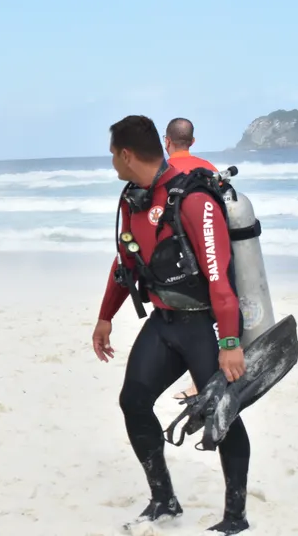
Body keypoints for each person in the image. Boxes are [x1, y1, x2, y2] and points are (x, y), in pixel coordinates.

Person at [92, 115, 250, 535]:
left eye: (112, 154)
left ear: (127, 154)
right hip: (163, 322)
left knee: (224, 414)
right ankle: (164, 500)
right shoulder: (132, 200)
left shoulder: (194, 200)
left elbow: (218, 275)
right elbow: (126, 261)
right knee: (133, 402)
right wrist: (106, 315)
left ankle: (235, 517)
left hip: (204, 328)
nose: (111, 162)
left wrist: (230, 341)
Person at [163, 116, 217, 399]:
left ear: (166, 141)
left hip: (178, 259)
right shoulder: (209, 168)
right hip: (212, 253)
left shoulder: (164, 171)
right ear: (192, 142)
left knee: (188, 324)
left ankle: (199, 383)